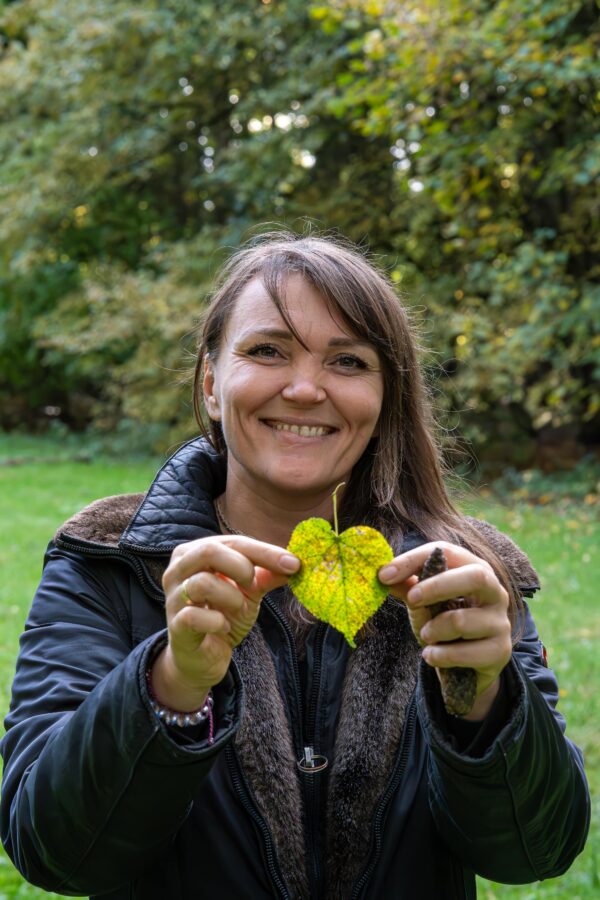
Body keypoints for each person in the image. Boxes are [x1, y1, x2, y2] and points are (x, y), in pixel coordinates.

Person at [0, 232, 589, 900]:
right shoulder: (106, 565)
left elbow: (537, 850)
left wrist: (483, 697)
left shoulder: (462, 580)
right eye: (268, 350)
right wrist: (173, 682)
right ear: (212, 383)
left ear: (385, 398)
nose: (306, 389)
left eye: (347, 360)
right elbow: (53, 853)